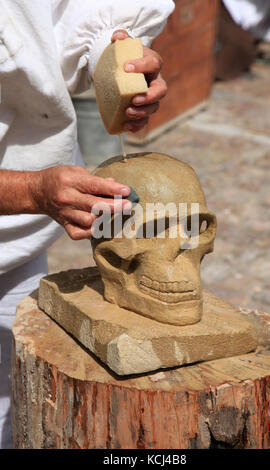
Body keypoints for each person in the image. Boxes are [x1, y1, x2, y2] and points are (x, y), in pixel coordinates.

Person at [0, 0, 175, 448]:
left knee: (12, 411)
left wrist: (115, 61)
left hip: (15, 247)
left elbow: (61, 16)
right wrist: (29, 191)